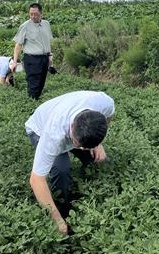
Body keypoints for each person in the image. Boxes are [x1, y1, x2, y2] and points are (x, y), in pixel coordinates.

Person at [25, 91, 114, 234]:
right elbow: (36, 180)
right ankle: (64, 210)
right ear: (72, 126)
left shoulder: (104, 103)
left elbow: (109, 117)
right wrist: (57, 220)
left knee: (100, 160)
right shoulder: (53, 134)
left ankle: (90, 193)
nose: (81, 149)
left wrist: (98, 144)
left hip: (70, 118)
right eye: (77, 144)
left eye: (84, 147)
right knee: (61, 170)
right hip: (38, 128)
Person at [10, 3, 53, 99]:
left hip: (44, 58)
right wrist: (14, 62)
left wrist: (50, 56)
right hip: (32, 59)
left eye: (35, 14)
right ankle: (32, 102)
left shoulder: (46, 24)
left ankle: (36, 100)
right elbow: (18, 45)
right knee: (33, 84)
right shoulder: (25, 26)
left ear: (41, 14)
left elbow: (48, 41)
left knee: (41, 82)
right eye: (31, 14)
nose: (33, 16)